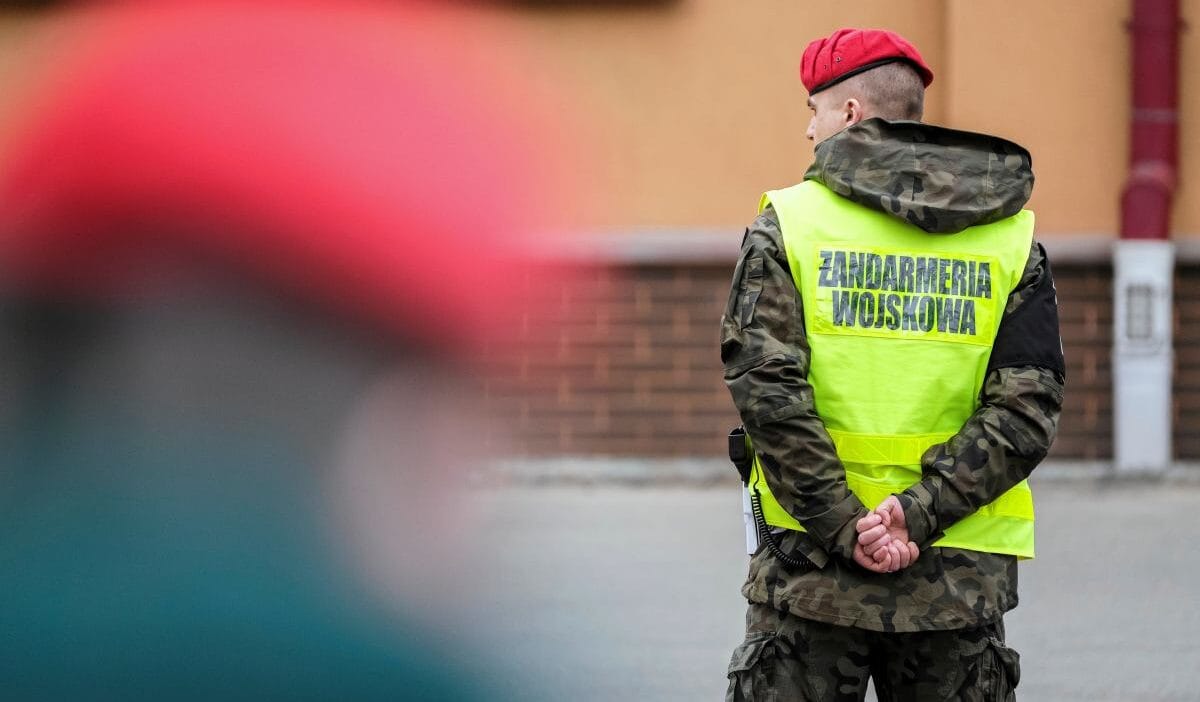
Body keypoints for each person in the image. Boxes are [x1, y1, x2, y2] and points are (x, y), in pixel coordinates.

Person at [721, 28, 1065, 701]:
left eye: (813, 110)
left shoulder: (790, 227)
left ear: (849, 114)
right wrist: (916, 511)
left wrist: (847, 525)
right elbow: (1028, 409)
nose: (808, 131)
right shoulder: (1008, 239)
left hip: (811, 575)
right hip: (956, 582)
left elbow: (769, 395)